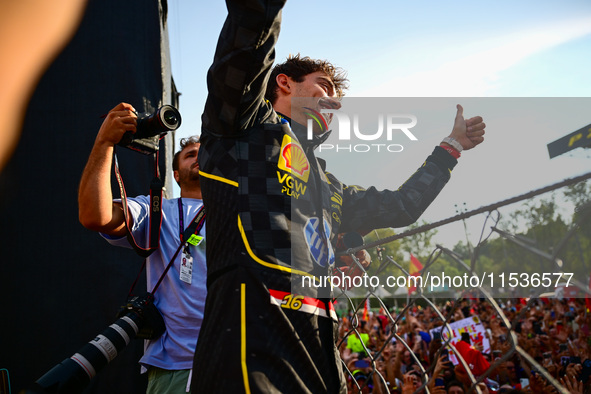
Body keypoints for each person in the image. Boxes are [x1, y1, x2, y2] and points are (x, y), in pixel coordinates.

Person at [192, 0, 486, 392]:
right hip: (252, 326)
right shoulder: (242, 126)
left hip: (320, 338)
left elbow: (402, 207)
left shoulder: (329, 185)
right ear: (284, 82)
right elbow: (246, 46)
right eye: (323, 86)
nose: (333, 100)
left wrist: (451, 148)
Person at [78, 102, 206, 393]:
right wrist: (105, 142)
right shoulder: (158, 211)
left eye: (206, 153)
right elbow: (93, 216)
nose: (199, 158)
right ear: (175, 173)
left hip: (241, 360)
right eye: (190, 155)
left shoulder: (244, 213)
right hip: (176, 365)